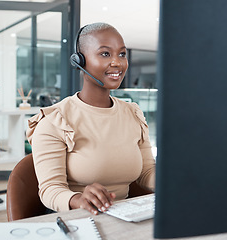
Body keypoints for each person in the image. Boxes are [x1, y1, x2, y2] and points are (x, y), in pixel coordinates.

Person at [26, 22, 155, 215]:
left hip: (126, 218)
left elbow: (146, 173)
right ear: (79, 60)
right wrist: (78, 199)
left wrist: (176, 176)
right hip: (77, 220)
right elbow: (50, 189)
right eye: (105, 54)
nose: (117, 63)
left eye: (122, 54)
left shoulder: (133, 113)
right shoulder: (55, 120)